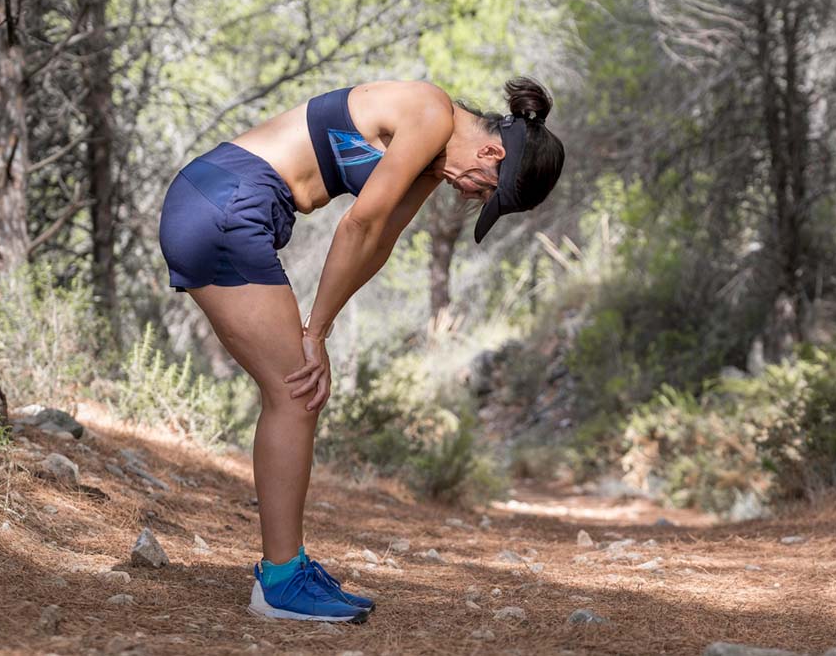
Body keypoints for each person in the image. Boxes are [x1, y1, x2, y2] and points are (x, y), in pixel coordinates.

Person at [157, 78, 565, 623]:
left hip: (226, 203)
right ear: (492, 151)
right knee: (296, 392)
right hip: (226, 203)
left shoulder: (430, 158)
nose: (473, 196)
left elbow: (380, 242)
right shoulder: (430, 111)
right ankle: (280, 581)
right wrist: (314, 332)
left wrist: (318, 326)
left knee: (296, 393)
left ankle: (288, 566)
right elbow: (360, 222)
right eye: (486, 189)